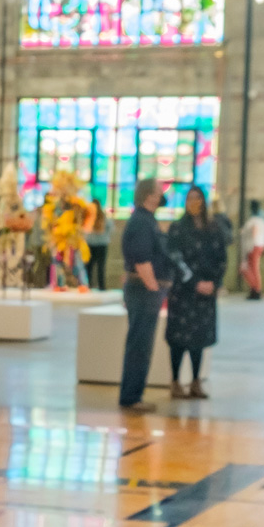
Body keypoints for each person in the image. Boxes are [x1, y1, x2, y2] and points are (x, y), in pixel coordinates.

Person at [164, 184, 228, 400]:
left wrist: (214, 283)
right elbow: (174, 258)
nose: (194, 203)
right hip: (184, 292)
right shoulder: (178, 228)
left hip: (206, 293)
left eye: (198, 198)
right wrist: (193, 282)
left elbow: (222, 258)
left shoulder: (214, 228)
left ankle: (195, 381)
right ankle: (174, 381)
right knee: (179, 339)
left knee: (199, 339)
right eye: (190, 199)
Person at [116, 176, 171, 411]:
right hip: (144, 291)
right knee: (140, 344)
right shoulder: (141, 222)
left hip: (145, 290)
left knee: (142, 343)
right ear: (149, 195)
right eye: (159, 192)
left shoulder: (147, 220)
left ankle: (134, 394)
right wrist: (154, 287)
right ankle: (131, 396)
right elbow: (141, 258)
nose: (162, 196)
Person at [242, 200, 264, 299]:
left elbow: (254, 230)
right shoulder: (263, 220)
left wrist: (252, 242)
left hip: (253, 246)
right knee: (254, 269)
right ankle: (254, 289)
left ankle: (256, 289)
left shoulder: (254, 220)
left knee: (250, 269)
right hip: (259, 245)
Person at [85, 196, 111, 290]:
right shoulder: (104, 217)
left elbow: (85, 231)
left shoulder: (89, 217)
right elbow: (111, 228)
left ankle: (88, 285)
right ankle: (102, 286)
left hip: (91, 244)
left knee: (89, 267)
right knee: (101, 267)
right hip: (102, 244)